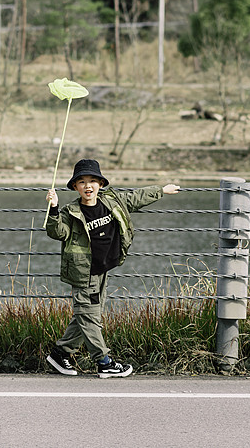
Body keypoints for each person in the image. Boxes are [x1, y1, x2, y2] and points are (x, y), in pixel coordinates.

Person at [45, 158, 180, 378]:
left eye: (92, 181)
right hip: (84, 273)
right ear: (75, 186)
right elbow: (57, 232)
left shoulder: (112, 201)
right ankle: (104, 362)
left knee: (86, 314)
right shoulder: (71, 212)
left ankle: (60, 353)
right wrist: (53, 208)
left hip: (103, 270)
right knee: (90, 317)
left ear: (100, 184)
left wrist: (161, 190)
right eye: (82, 182)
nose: (88, 186)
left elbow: (136, 198)